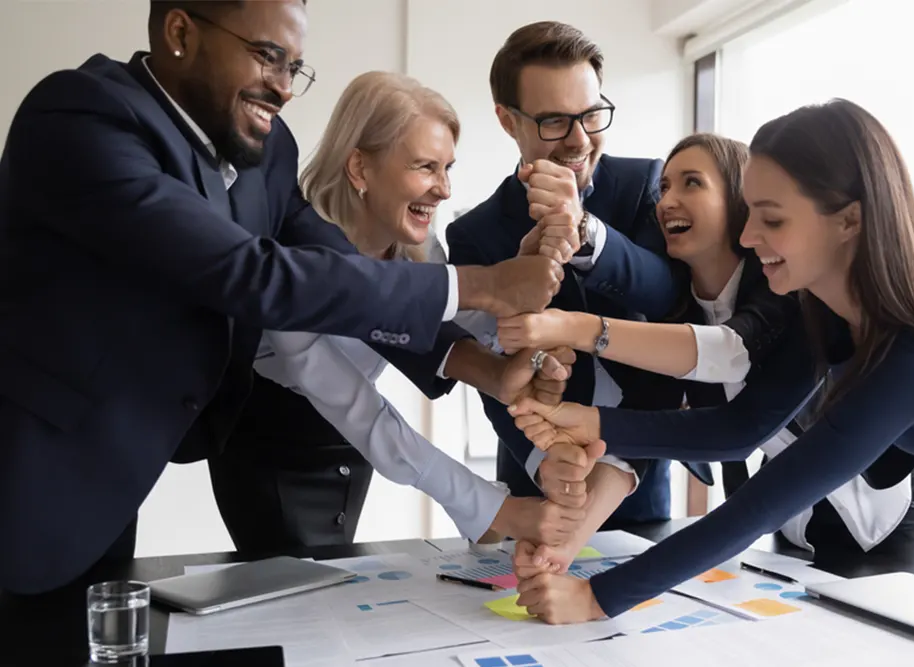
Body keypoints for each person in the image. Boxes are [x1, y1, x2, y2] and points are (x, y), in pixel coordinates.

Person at [0, 0, 562, 594]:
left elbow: (332, 262)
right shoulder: (82, 117)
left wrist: (492, 363)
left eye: (295, 66)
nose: (286, 88)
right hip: (32, 465)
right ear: (180, 32)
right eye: (268, 57)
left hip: (112, 473)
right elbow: (253, 275)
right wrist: (483, 284)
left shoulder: (267, 150)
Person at [506, 98, 914, 624]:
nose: (746, 237)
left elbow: (764, 501)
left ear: (849, 220)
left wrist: (598, 598)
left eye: (771, 218)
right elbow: (740, 428)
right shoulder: (826, 315)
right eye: (749, 213)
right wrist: (592, 423)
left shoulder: (913, 349)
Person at [500, 133, 914, 565]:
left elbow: (732, 354)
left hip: (880, 505)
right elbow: (636, 440)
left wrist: (572, 328)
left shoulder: (786, 287)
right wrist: (563, 548)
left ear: (742, 200)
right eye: (664, 187)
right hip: (787, 512)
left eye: (692, 183)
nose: (668, 201)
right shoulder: (677, 310)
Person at [250, 70, 585, 547]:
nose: (444, 189)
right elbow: (358, 408)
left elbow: (458, 323)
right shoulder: (296, 262)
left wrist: (528, 342)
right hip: (276, 447)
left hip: (354, 446)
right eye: (426, 167)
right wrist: (488, 508)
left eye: (448, 168)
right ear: (360, 169)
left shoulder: (419, 245)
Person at [446, 21, 712, 559]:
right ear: (507, 120)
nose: (579, 139)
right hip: (535, 478)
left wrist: (584, 228)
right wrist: (547, 463)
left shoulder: (646, 185)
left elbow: (669, 299)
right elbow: (492, 370)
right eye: (553, 121)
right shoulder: (473, 234)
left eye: (591, 114)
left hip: (637, 468)